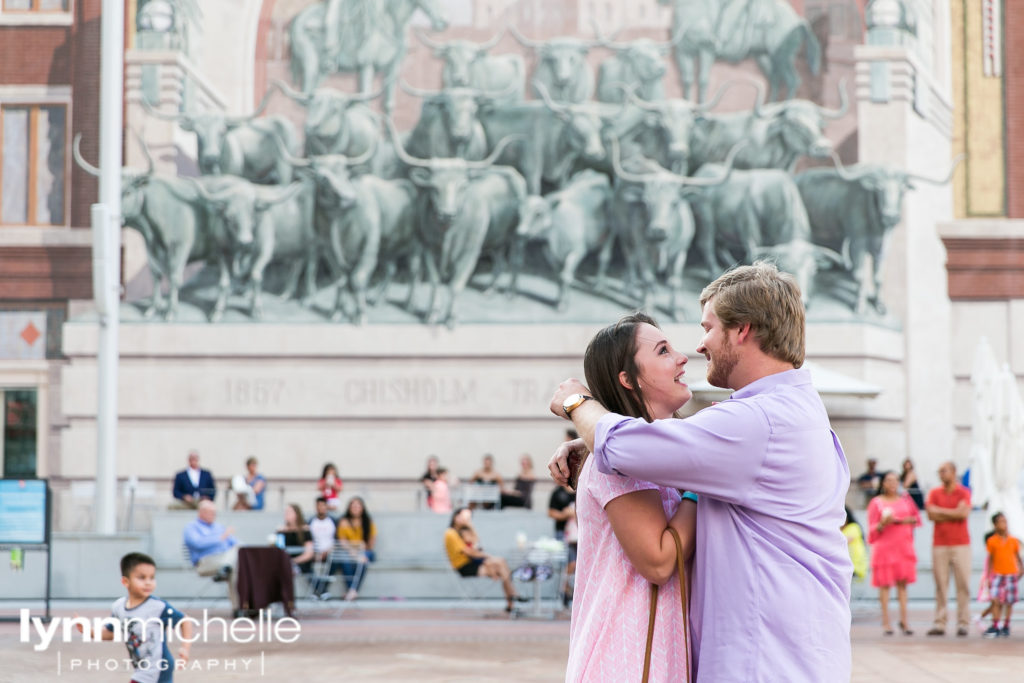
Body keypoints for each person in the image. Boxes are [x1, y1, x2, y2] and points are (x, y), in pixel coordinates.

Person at [548, 262, 852, 681]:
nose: (698, 346)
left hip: (765, 661)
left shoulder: (755, 422)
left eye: (708, 327)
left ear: (742, 330)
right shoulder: (789, 412)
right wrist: (589, 440)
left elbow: (625, 446)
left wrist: (575, 404)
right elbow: (650, 445)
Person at [559, 313, 698, 679]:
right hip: (626, 660)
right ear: (628, 379)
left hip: (644, 658)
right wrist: (702, 491)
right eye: (664, 351)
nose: (683, 357)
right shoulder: (620, 462)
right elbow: (658, 562)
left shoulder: (649, 452)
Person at [76, 552, 192, 683]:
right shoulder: (119, 607)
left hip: (158, 668)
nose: (148, 582)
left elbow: (184, 621)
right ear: (125, 581)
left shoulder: (157, 607)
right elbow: (110, 633)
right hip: (141, 668)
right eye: (142, 578)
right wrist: (88, 631)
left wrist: (185, 647)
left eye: (152, 577)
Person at [867, 471, 921, 636]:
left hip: (903, 546)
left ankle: (904, 621)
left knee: (903, 585)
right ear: (883, 483)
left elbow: (916, 519)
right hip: (885, 547)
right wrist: (883, 523)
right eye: (889, 481)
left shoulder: (905, 499)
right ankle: (886, 623)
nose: (892, 484)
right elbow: (872, 529)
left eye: (895, 480)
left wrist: (903, 521)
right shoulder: (876, 503)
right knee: (885, 586)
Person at [443, 507, 525, 613]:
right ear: (455, 516)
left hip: (473, 562)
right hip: (464, 566)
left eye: (467, 517)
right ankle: (512, 597)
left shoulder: (463, 531)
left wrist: (470, 526)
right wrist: (487, 556)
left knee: (502, 565)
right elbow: (468, 552)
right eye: (462, 516)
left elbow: (477, 543)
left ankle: (511, 602)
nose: (463, 519)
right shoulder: (451, 533)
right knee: (501, 566)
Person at [925, 461, 972, 637]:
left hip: (961, 544)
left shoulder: (963, 492)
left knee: (963, 585)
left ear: (953, 472)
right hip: (940, 544)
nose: (941, 474)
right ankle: (940, 623)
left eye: (944, 471)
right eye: (939, 471)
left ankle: (963, 623)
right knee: (940, 585)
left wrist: (940, 512)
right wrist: (953, 512)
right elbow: (930, 514)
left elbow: (963, 513)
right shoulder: (934, 492)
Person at [183, 500, 239, 613]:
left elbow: (236, 543)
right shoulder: (192, 527)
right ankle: (226, 568)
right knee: (235, 562)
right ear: (201, 512)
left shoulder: (219, 527)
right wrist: (221, 538)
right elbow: (197, 544)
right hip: (205, 562)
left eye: (215, 512)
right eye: (211, 512)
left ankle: (239, 608)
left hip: (226, 559)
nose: (214, 515)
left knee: (238, 557)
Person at [983, 512, 1023, 638]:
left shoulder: (1013, 540)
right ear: (995, 525)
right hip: (998, 574)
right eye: (1000, 522)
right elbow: (990, 559)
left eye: (1005, 521)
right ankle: (996, 624)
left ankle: (1006, 625)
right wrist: (988, 576)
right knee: (995, 599)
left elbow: (1017, 557)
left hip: (1011, 573)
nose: (1004, 524)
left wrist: (1021, 569)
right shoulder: (992, 541)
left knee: (1009, 601)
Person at [335, 496, 376, 601]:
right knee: (345, 560)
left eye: (358, 506)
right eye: (353, 506)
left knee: (363, 560)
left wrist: (359, 552)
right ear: (349, 508)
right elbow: (342, 542)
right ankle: (352, 591)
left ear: (362, 508)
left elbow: (370, 545)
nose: (355, 508)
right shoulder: (343, 522)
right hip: (349, 551)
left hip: (365, 552)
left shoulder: (368, 522)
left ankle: (351, 590)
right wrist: (354, 551)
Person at [548, 482, 577, 607]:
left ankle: (569, 590)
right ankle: (565, 590)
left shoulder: (579, 488)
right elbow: (551, 512)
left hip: (580, 532)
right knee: (571, 563)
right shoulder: (557, 492)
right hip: (564, 533)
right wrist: (565, 515)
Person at [276, 503, 315, 576]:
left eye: (289, 512)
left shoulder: (305, 530)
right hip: (285, 563)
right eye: (286, 512)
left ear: (297, 514)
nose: (286, 514)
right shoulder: (281, 531)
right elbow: (279, 549)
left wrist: (293, 561)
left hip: (301, 563)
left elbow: (309, 554)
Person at [842, 506, 868, 582]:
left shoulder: (854, 527)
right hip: (848, 568)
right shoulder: (841, 530)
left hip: (855, 567)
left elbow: (843, 541)